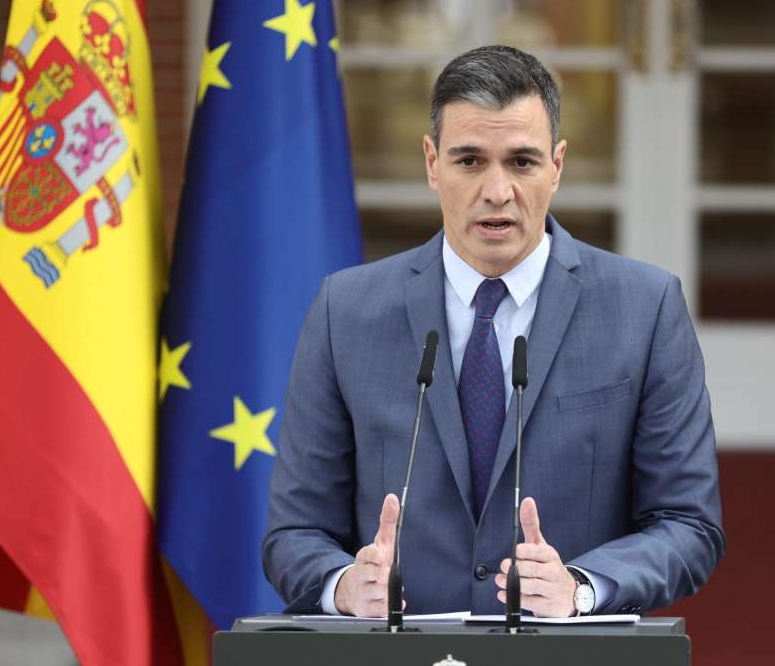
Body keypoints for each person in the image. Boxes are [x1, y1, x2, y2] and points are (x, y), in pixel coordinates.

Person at [263, 45, 724, 617]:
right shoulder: (345, 311)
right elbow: (294, 532)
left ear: (557, 165)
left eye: (522, 162)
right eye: (470, 161)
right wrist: (342, 586)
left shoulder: (645, 308)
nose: (497, 191)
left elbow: (688, 523)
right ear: (432, 163)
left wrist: (581, 588)